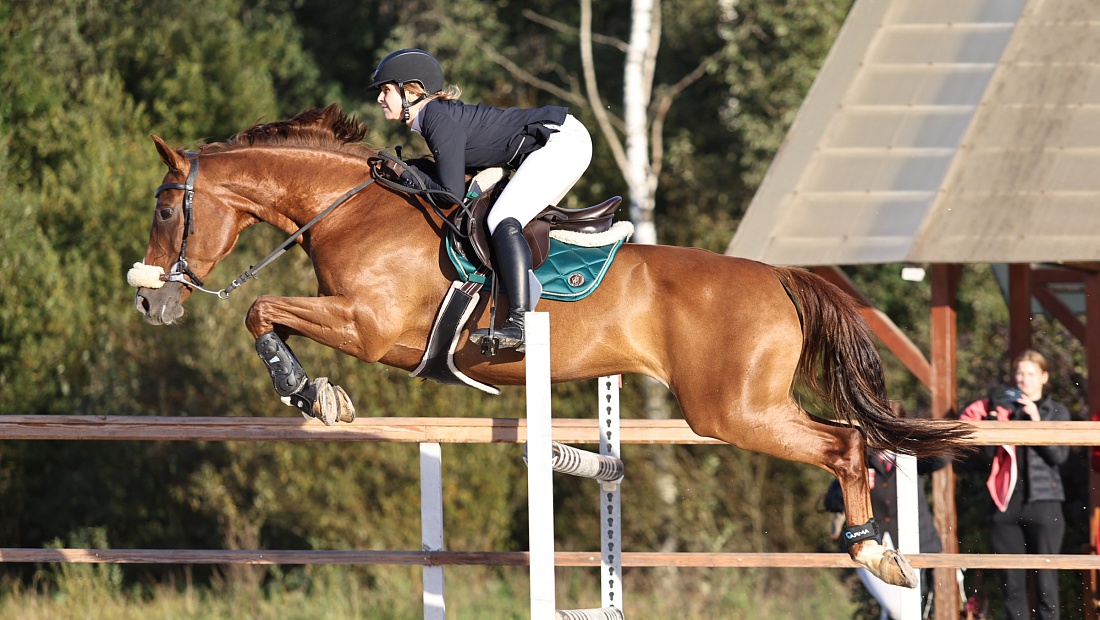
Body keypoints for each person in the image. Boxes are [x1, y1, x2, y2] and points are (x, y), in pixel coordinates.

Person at [369, 48, 594, 352]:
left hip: (560, 141)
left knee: (502, 218)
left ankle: (521, 323)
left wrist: (406, 175)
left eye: (386, 90)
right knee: (509, 216)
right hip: (562, 139)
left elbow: (450, 194)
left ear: (411, 90)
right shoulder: (435, 119)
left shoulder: (436, 118)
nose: (380, 99)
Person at [960, 349, 1070, 620]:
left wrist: (1037, 422)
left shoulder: (1056, 411)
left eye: (1030, 373)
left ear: (1044, 377)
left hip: (1045, 504)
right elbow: (983, 456)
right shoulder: (1002, 407)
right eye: (1019, 373)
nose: (1024, 379)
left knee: (1046, 585)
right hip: (1006, 505)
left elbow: (1059, 456)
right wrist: (993, 419)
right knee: (1012, 587)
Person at [825, 440, 948, 619]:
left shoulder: (912, 456)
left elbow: (943, 458)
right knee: (897, 609)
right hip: (872, 546)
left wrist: (913, 438)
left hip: (914, 543)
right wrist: (852, 486)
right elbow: (831, 501)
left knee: (914, 608)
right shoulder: (859, 460)